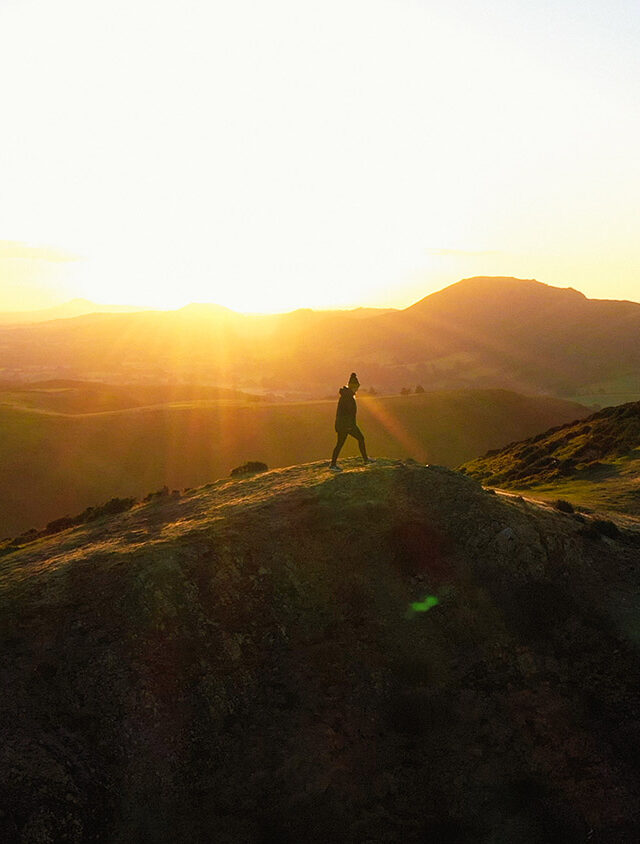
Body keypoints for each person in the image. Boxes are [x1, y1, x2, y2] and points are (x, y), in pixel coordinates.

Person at [329, 372, 374, 471]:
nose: (357, 389)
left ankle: (333, 464)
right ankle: (365, 460)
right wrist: (349, 426)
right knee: (360, 438)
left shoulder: (346, 395)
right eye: (356, 387)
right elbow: (347, 413)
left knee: (340, 443)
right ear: (353, 387)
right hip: (346, 425)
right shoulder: (348, 397)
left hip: (344, 425)